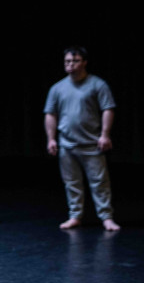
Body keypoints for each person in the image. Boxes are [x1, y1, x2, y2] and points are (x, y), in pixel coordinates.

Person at [44, 46, 120, 231]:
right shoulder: (57, 88)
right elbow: (50, 114)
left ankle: (106, 218)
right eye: (67, 61)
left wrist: (105, 135)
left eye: (75, 61)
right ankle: (75, 216)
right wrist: (51, 139)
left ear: (84, 62)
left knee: (99, 182)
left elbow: (108, 109)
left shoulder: (97, 85)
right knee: (71, 183)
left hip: (91, 144)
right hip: (67, 144)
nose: (70, 65)